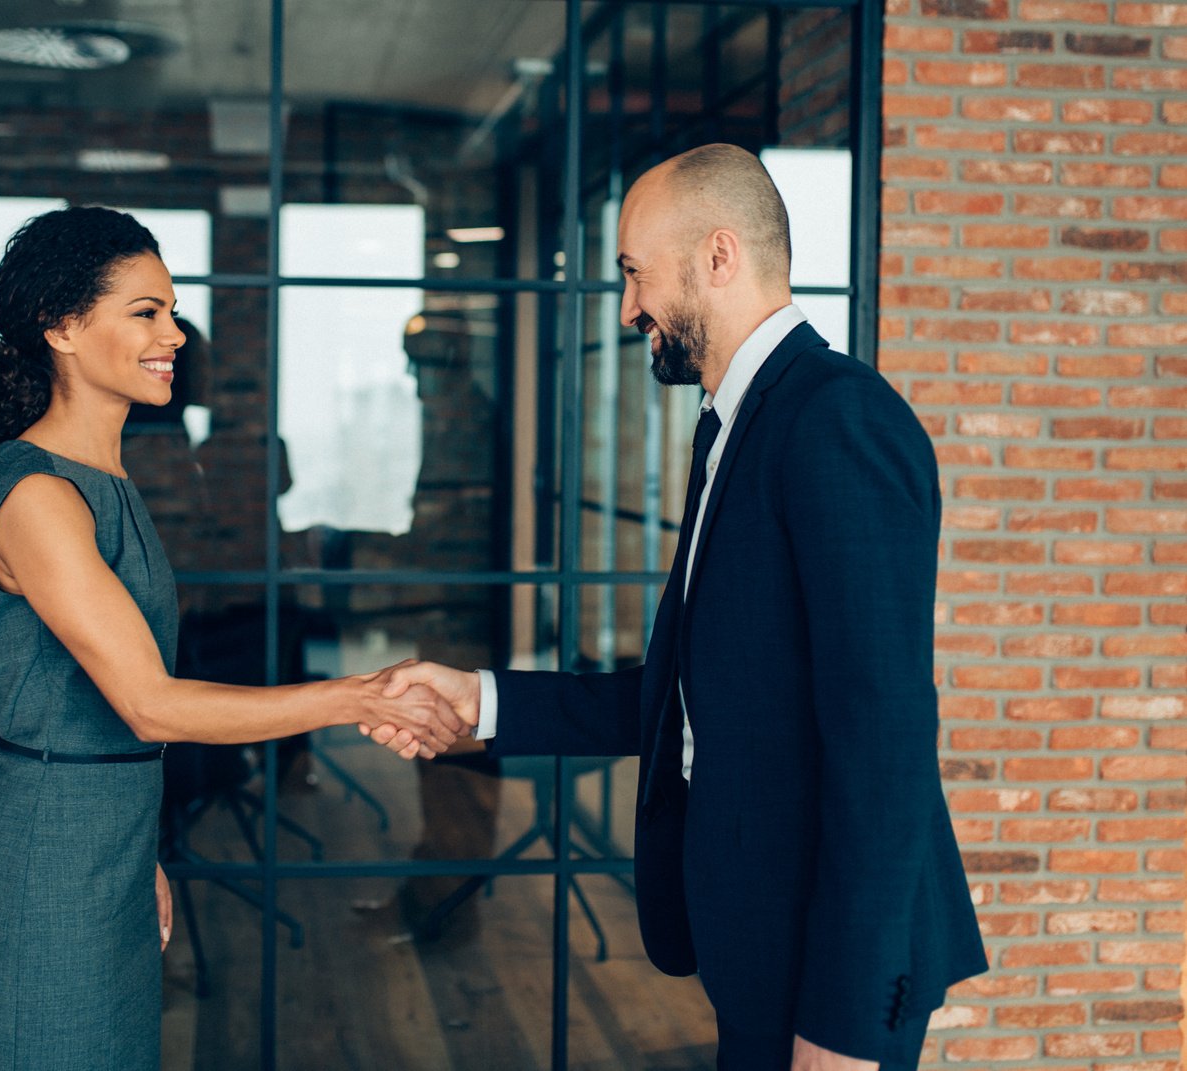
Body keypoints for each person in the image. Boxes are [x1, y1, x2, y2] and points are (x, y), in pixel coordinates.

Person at [368, 144, 986, 1071]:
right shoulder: (730, 426)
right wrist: (484, 703)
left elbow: (884, 742)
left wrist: (847, 1022)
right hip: (757, 935)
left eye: (633, 273)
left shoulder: (837, 421)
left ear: (719, 256)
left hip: (830, 968)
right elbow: (696, 696)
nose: (627, 308)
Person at [0, 206, 461, 1071]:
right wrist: (358, 694)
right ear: (62, 326)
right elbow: (148, 704)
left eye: (170, 310)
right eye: (145, 312)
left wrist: (140, 849)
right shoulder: (40, 498)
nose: (174, 333)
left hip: (102, 849)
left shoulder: (105, 481)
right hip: (38, 868)